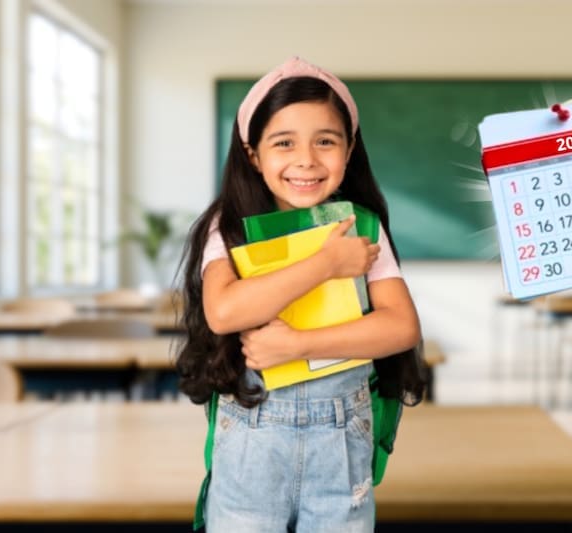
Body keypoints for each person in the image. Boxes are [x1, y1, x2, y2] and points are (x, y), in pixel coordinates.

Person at [175, 56, 426, 532]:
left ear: (349, 150)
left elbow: (401, 327)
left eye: (325, 142)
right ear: (253, 154)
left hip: (342, 435)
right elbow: (224, 312)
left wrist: (298, 346)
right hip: (253, 434)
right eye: (284, 142)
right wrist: (326, 264)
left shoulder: (363, 225)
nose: (306, 160)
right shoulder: (225, 227)